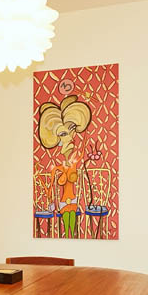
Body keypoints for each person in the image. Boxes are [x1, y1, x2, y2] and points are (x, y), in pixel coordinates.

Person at [37, 95, 92, 237]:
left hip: (72, 199)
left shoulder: (74, 164)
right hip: (63, 201)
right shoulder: (58, 168)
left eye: (72, 128)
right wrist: (51, 203)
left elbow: (82, 153)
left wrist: (86, 136)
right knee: (67, 219)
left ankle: (70, 236)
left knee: (72, 219)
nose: (70, 137)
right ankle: (68, 236)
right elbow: (53, 185)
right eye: (62, 133)